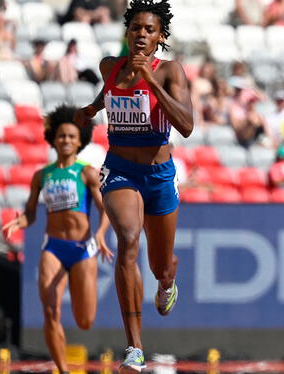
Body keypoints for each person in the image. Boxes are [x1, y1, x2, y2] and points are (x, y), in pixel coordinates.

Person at [73, 0, 194, 372]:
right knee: (127, 240)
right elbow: (109, 93)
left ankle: (166, 279)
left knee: (159, 264)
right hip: (120, 168)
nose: (142, 35)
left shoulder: (170, 71)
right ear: (127, 32)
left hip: (158, 174)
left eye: (149, 30)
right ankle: (135, 348)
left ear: (160, 38)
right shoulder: (109, 66)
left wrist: (152, 81)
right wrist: (92, 109)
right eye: (136, 28)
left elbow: (187, 125)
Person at [2, 105, 112, 374]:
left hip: (83, 248)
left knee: (85, 320)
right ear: (53, 138)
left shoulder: (87, 172)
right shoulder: (42, 176)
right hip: (53, 247)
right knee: (50, 311)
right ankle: (62, 370)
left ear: (80, 141)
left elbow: (105, 209)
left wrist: (100, 233)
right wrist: (21, 221)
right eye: (62, 136)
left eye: (72, 137)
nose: (66, 141)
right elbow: (31, 213)